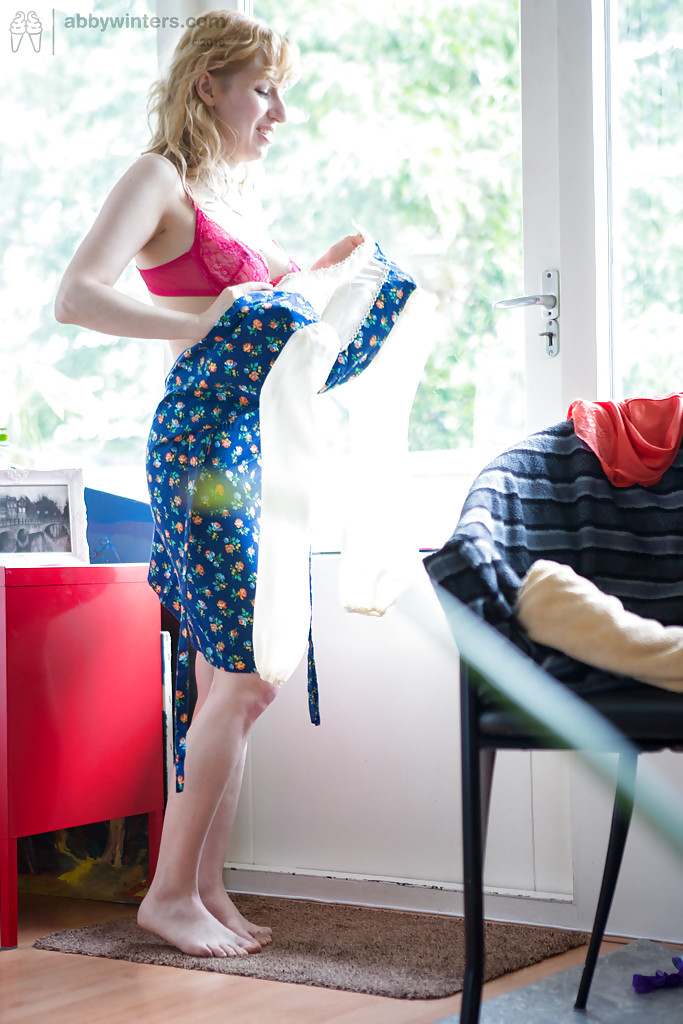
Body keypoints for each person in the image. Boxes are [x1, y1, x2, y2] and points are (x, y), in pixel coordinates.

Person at [55, 10, 425, 960]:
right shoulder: (158, 177)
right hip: (203, 447)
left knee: (235, 677)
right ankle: (168, 893)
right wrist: (202, 317)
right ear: (205, 86)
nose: (279, 112)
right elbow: (77, 296)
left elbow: (263, 320)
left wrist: (318, 274)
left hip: (252, 446)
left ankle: (203, 885)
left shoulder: (237, 200)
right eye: (262, 89)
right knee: (250, 673)